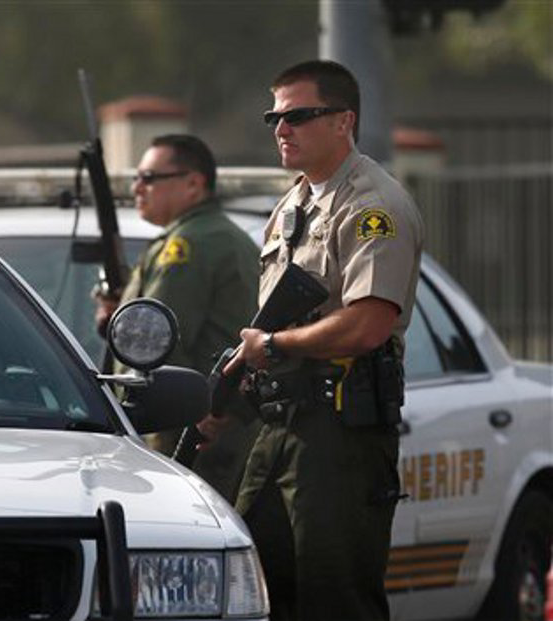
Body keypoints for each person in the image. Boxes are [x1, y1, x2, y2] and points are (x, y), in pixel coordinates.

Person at [198, 60, 424, 620]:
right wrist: (228, 402)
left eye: (298, 115)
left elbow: (368, 323)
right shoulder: (292, 205)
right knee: (254, 590)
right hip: (278, 425)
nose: (281, 128)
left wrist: (274, 346)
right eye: (274, 117)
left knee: (335, 599)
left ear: (344, 121)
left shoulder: (372, 207)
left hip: (338, 435)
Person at [95, 133, 260, 500]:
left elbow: (154, 346)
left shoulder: (188, 245)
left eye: (150, 178)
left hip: (182, 437)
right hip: (211, 431)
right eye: (136, 178)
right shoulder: (211, 236)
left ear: (193, 183)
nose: (138, 187)